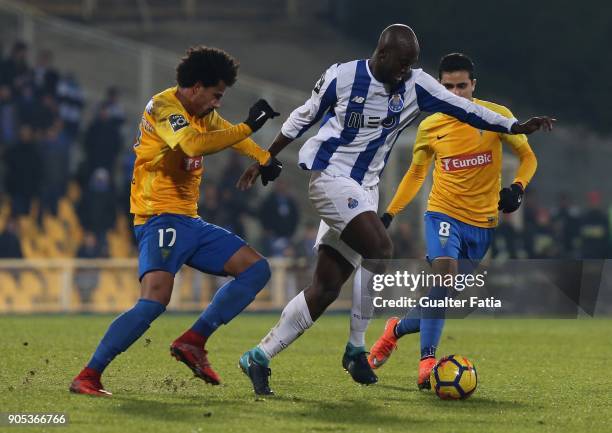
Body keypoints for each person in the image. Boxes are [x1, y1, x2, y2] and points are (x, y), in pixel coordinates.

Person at [236, 25, 554, 395]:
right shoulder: (343, 76)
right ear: (382, 55)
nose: (406, 71)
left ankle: (258, 356)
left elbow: (467, 110)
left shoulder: (416, 85)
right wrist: (264, 156)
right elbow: (302, 117)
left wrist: (516, 125)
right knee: (381, 249)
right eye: (402, 63)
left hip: (365, 191)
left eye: (412, 64)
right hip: (330, 179)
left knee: (324, 288)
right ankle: (357, 347)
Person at [69, 46, 282, 396]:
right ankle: (89, 375)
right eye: (215, 95)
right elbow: (191, 146)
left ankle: (194, 340)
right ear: (196, 87)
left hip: (189, 221)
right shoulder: (164, 107)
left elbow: (228, 134)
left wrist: (264, 157)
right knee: (154, 300)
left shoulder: (202, 112)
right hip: (159, 217)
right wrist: (249, 126)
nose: (217, 103)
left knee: (256, 269)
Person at [367, 52, 538, 389]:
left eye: (462, 86)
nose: (456, 93)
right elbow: (416, 175)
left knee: (441, 298)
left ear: (473, 85)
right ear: (439, 86)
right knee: (444, 276)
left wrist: (518, 188)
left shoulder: (496, 117)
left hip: (483, 224)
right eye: (448, 86)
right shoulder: (431, 125)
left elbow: (528, 157)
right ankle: (427, 361)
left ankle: (395, 329)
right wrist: (390, 213)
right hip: (443, 214)